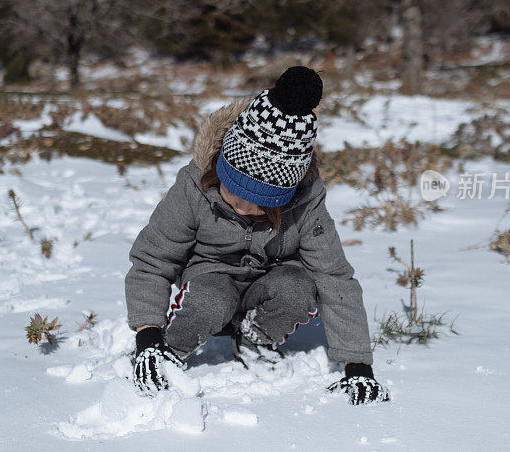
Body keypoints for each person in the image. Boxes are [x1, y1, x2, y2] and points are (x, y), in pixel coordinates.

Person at [124, 66, 389, 405]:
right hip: (209, 284)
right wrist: (148, 335)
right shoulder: (191, 188)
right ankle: (168, 353)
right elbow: (152, 260)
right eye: (234, 195)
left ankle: (255, 339)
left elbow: (334, 276)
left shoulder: (307, 204)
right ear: (219, 171)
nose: (245, 210)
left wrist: (358, 366)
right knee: (211, 297)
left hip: (268, 288)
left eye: (262, 205)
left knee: (298, 285)